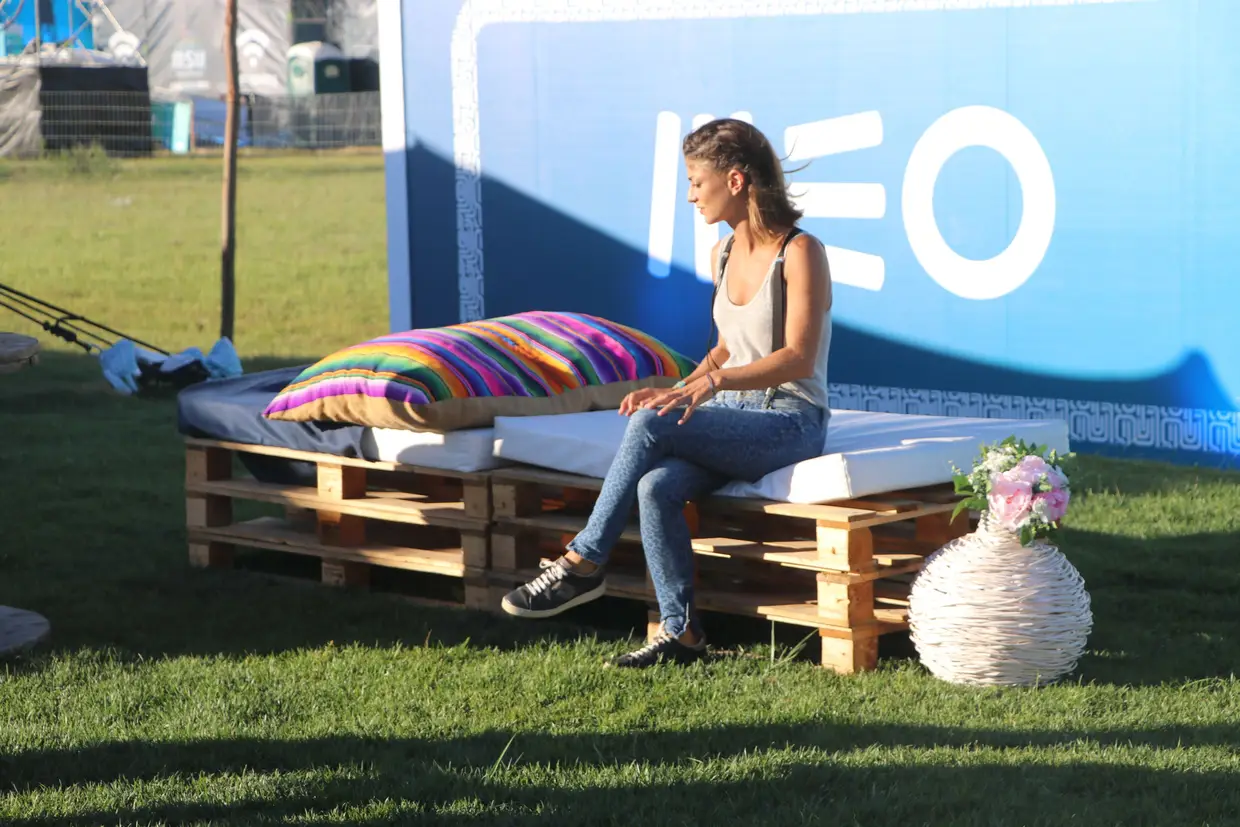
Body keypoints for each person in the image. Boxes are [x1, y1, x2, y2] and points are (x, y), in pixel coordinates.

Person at [501, 117, 833, 668]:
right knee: (655, 487)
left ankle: (584, 561)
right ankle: (682, 634)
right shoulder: (722, 253)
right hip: (734, 414)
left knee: (650, 427)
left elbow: (797, 356)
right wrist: (677, 390)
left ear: (735, 181)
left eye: (697, 182)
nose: (690, 196)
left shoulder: (799, 251)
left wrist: (710, 385)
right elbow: (726, 348)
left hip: (790, 421)